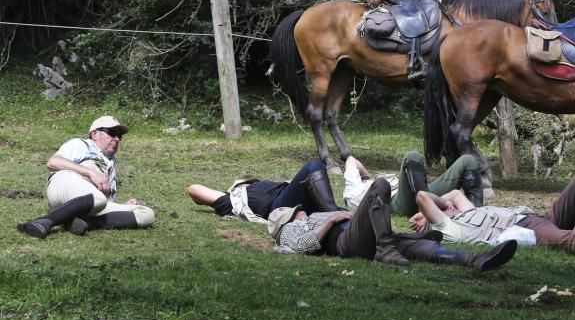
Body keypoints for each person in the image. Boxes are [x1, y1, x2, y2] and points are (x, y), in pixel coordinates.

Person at [409, 174, 575, 271]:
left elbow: (454, 194)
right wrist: (429, 212)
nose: (451, 206)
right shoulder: (449, 229)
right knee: (571, 239)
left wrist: (446, 203)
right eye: (444, 210)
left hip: (537, 218)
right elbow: (422, 196)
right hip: (524, 230)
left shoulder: (465, 212)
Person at [269, 176, 518, 271]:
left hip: (367, 239)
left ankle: (476, 259)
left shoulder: (308, 218)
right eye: (296, 212)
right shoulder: (288, 231)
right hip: (346, 240)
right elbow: (303, 246)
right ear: (287, 220)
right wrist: (333, 218)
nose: (301, 212)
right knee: (380, 185)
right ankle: (387, 246)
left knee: (425, 250)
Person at [17, 116, 155, 239]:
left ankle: (82, 223)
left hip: (93, 203)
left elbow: (105, 202)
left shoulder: (111, 163)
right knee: (98, 199)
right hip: (63, 186)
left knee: (146, 214)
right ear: (95, 134)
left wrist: (121, 206)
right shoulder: (81, 144)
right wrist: (91, 173)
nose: (117, 139)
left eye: (119, 135)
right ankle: (43, 221)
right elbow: (53, 162)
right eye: (112, 133)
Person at [186, 158, 339, 224]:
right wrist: (230, 193)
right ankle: (334, 213)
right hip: (279, 207)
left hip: (298, 198)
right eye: (242, 184)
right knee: (313, 165)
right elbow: (193, 189)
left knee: (313, 170)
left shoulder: (267, 185)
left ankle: (338, 213)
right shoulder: (232, 200)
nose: (246, 183)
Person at [343, 151, 484, 216]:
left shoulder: (371, 181)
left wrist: (368, 177)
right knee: (412, 157)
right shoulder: (353, 189)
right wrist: (366, 179)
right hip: (395, 203)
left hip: (420, 192)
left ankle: (476, 215)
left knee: (468, 160)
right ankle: (426, 211)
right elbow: (351, 160)